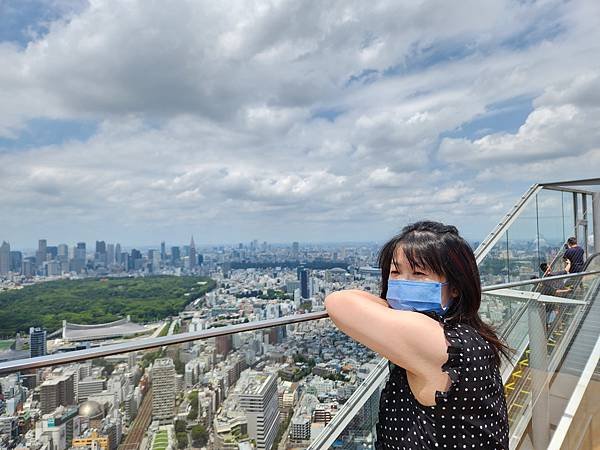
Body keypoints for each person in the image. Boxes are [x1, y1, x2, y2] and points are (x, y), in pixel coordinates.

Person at [325, 221, 509, 449]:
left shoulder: (442, 344)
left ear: (455, 287)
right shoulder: (466, 335)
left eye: (419, 273)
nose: (402, 282)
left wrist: (391, 306)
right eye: (395, 272)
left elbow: (339, 302)